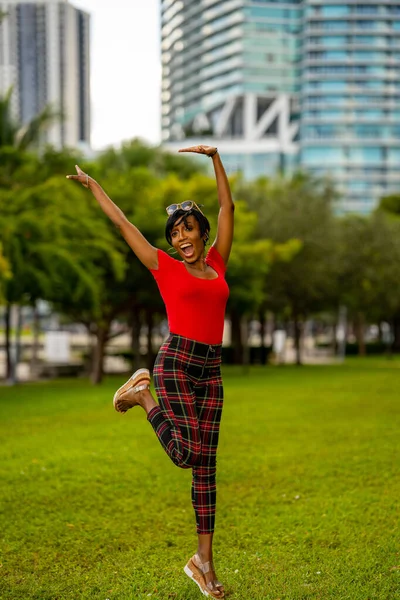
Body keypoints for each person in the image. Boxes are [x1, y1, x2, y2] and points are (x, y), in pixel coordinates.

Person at [67, 145, 234, 599]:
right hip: (177, 364)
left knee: (207, 468)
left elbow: (228, 206)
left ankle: (204, 563)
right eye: (176, 232)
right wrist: (94, 186)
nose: (182, 238)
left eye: (189, 230)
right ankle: (144, 395)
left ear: (201, 234)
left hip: (211, 371)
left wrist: (215, 159)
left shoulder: (217, 264)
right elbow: (123, 225)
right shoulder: (164, 267)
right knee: (186, 455)